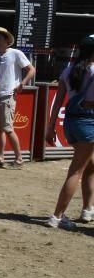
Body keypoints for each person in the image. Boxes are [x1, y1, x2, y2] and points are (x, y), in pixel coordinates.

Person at [44, 35, 94, 230]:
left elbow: (57, 102)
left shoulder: (68, 71)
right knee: (77, 170)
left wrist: (50, 126)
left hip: (71, 124)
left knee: (89, 165)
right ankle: (57, 216)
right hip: (89, 123)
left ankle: (87, 209)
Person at [0, 27, 36, 168]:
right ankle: (0, 157)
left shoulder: (15, 53)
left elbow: (32, 69)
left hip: (8, 95)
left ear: (6, 39)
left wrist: (22, 84)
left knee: (8, 128)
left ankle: (19, 158)